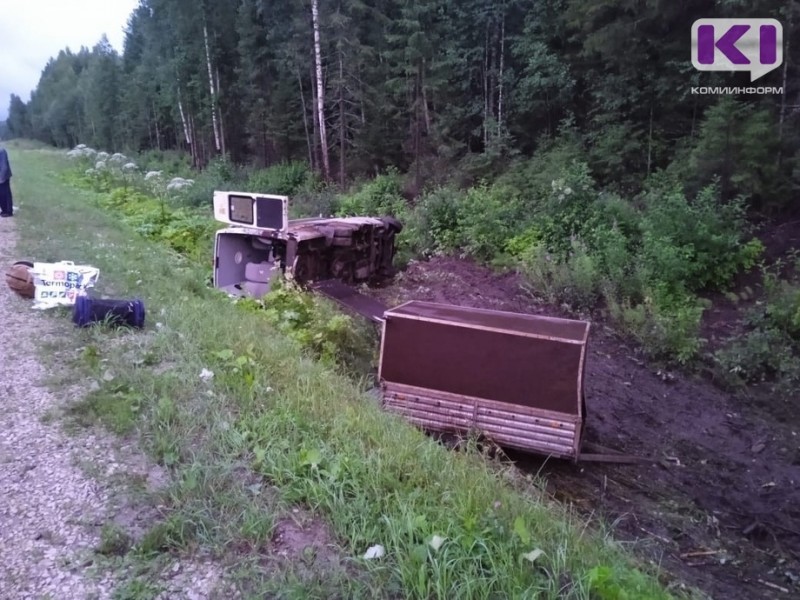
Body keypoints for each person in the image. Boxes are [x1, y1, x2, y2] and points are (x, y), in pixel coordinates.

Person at [0, 146, 12, 217]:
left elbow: (4, 166)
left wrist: (1, 178)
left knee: (5, 194)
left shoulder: (2, 151)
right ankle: (4, 210)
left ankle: (8, 211)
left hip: (4, 175)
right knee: (1, 194)